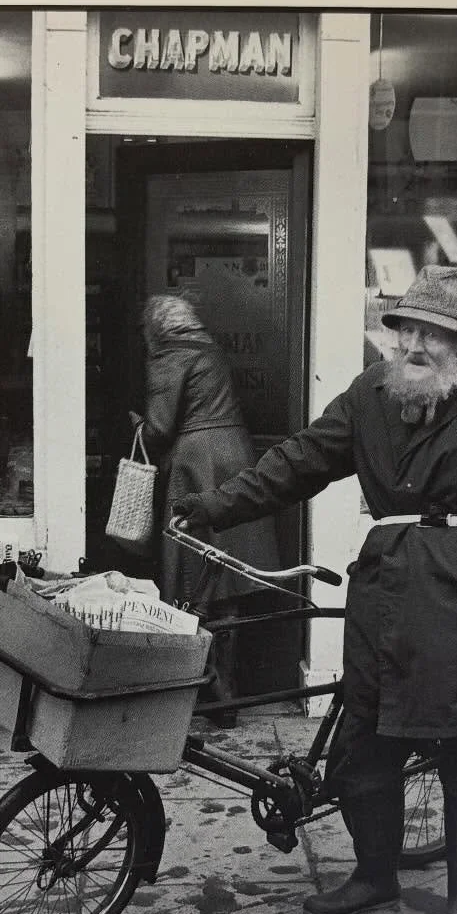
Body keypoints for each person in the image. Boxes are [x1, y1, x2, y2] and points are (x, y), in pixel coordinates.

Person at [173, 266, 457, 914]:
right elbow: (294, 464)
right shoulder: (368, 396)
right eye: (406, 328)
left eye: (433, 333)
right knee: (362, 748)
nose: (414, 344)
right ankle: (376, 873)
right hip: (381, 600)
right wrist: (213, 506)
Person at [137, 293, 282, 728]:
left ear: (155, 329)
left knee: (191, 581)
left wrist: (135, 428)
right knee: (224, 583)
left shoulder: (168, 356)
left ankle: (196, 693)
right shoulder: (211, 350)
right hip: (233, 457)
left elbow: (160, 428)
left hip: (196, 466)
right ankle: (226, 696)